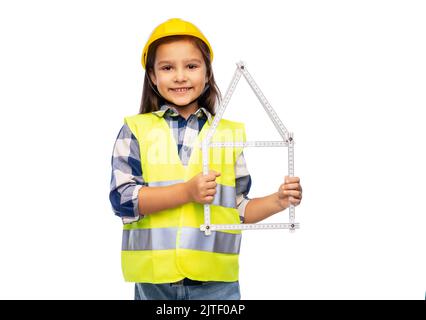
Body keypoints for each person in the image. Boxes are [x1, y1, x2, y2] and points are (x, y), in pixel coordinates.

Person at [109, 18, 303, 300]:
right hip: (155, 284)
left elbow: (237, 209)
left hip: (217, 286)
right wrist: (187, 192)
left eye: (191, 66)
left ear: (208, 73)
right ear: (152, 76)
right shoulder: (136, 129)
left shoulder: (228, 134)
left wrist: (279, 200)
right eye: (167, 68)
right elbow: (122, 199)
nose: (180, 76)